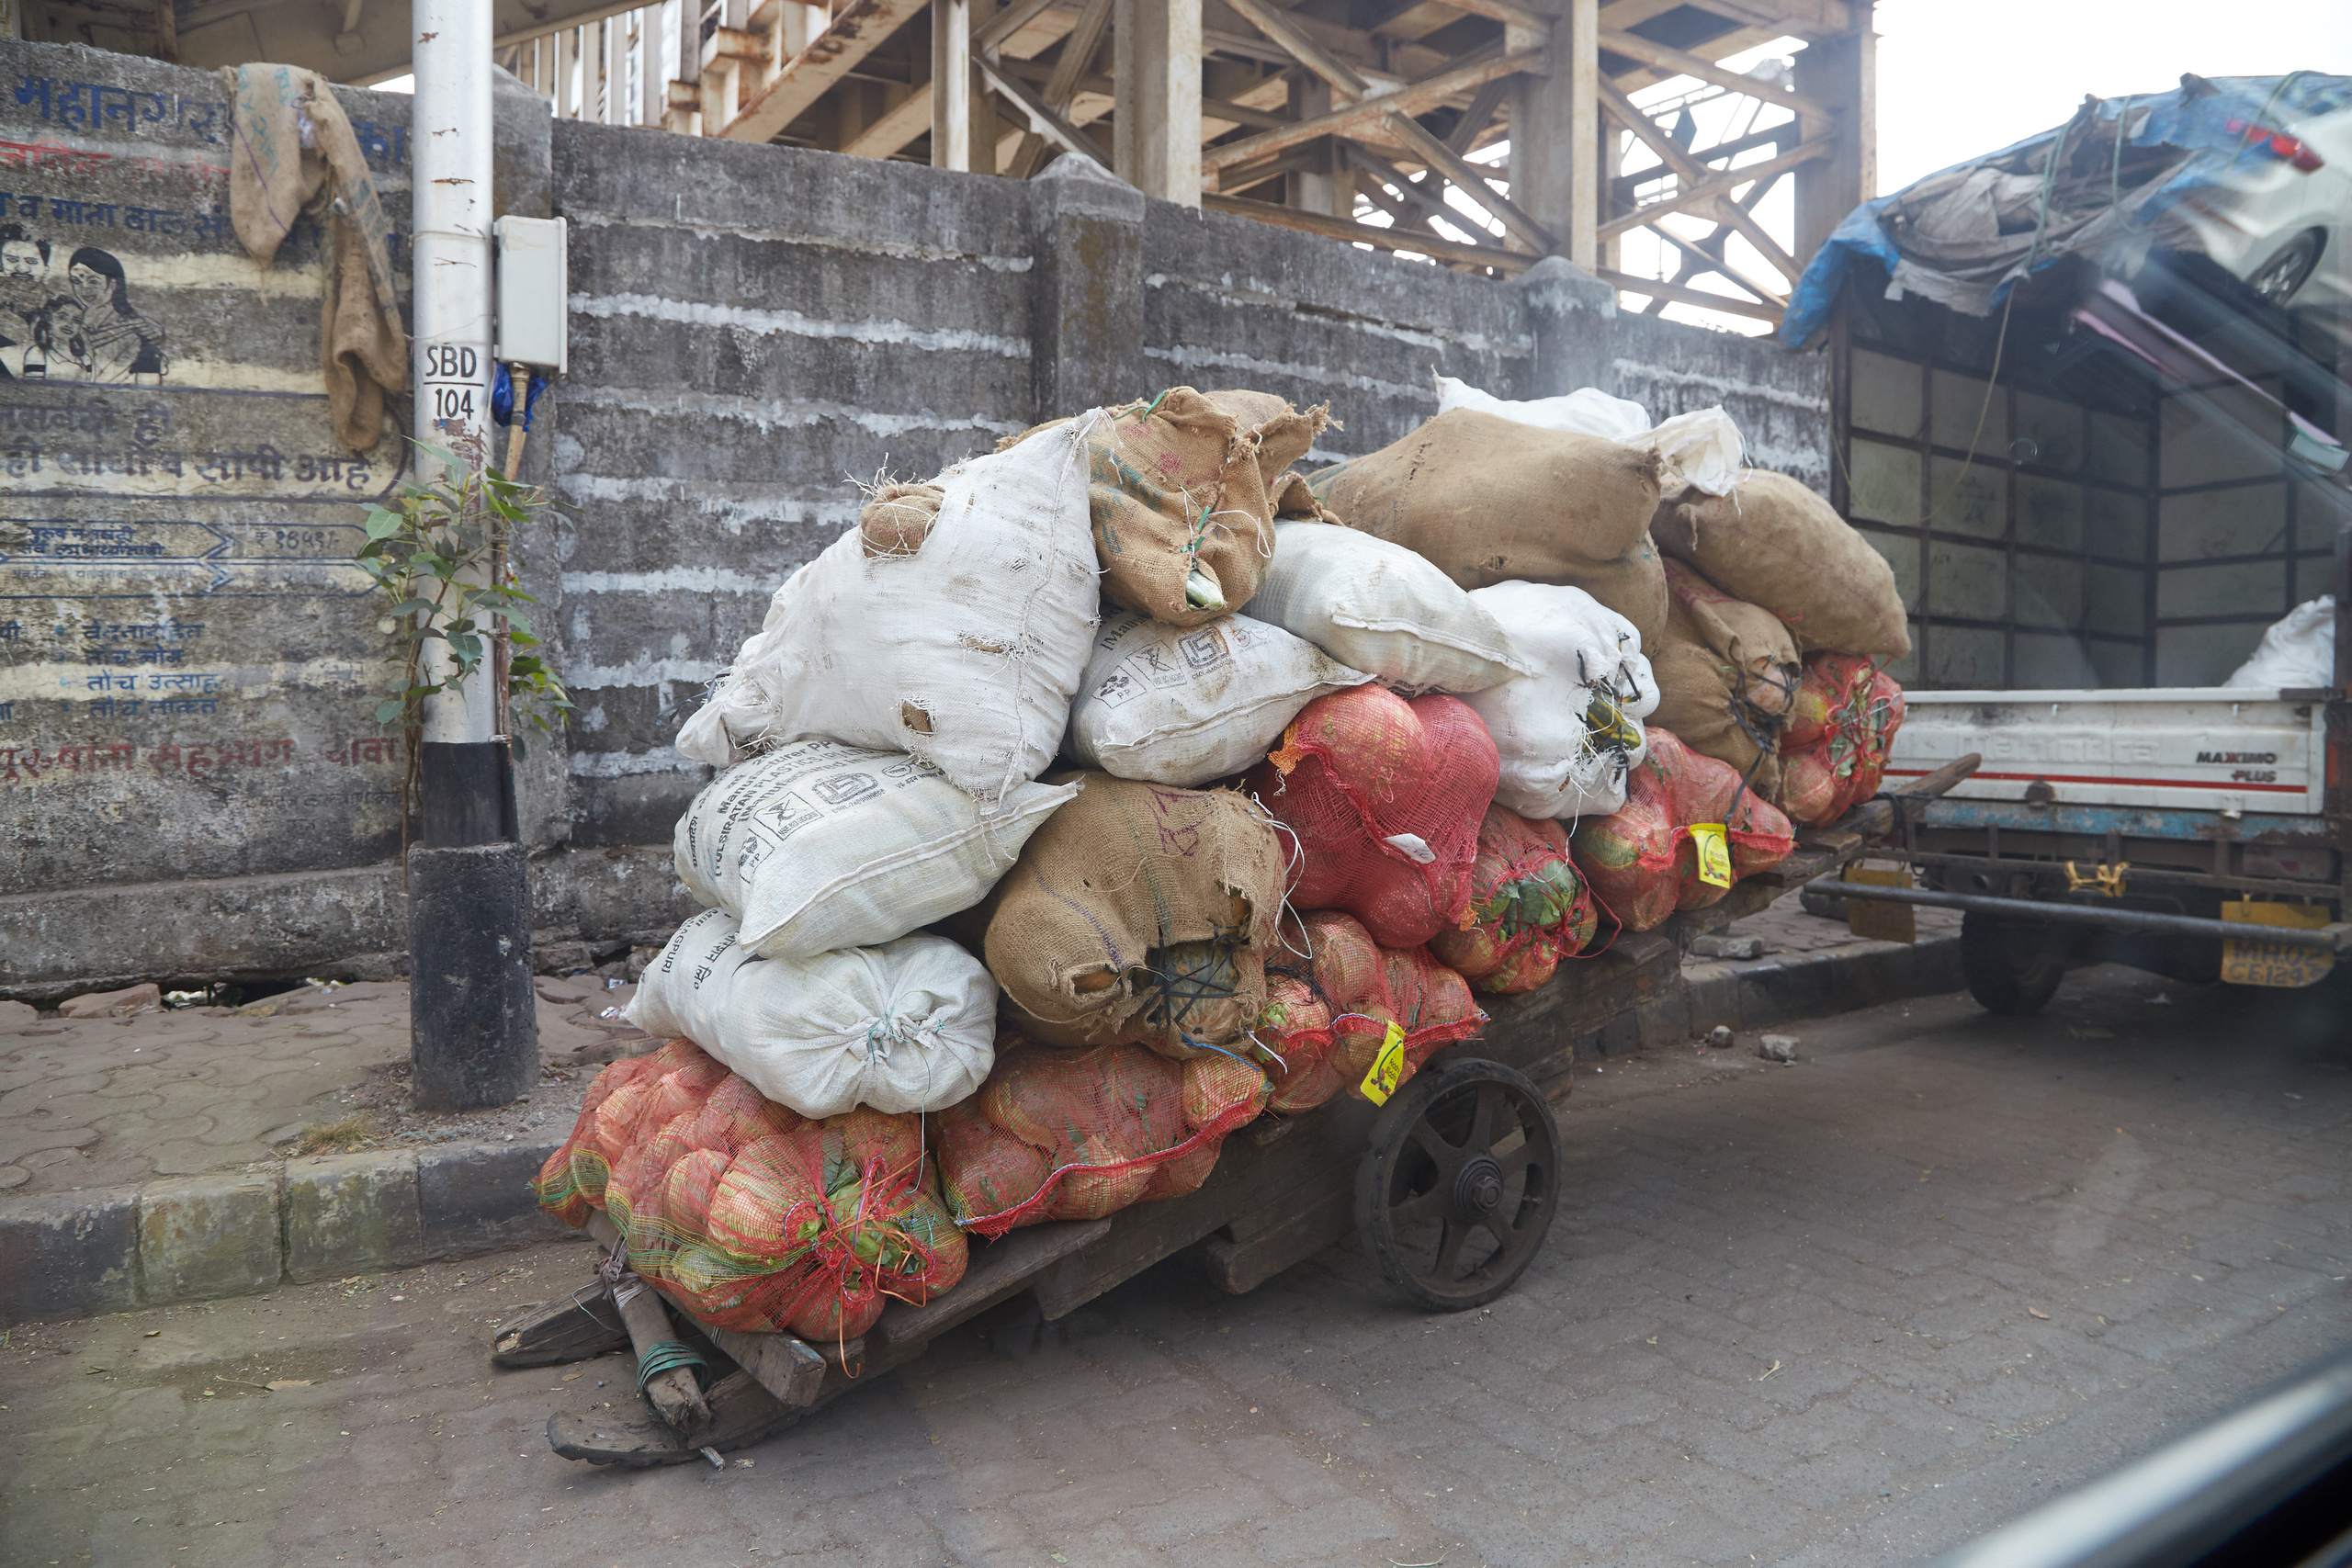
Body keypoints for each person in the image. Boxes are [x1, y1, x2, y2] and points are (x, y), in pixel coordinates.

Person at [55, 245, 166, 383]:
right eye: (76, 281)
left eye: (93, 281)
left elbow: (149, 383)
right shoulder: (73, 323)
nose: (84, 289)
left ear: (113, 284)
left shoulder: (139, 329)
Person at [0, 223, 51, 378]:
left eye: (32, 262)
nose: (22, 269)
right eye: (12, 259)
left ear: (45, 269)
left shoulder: (58, 312)